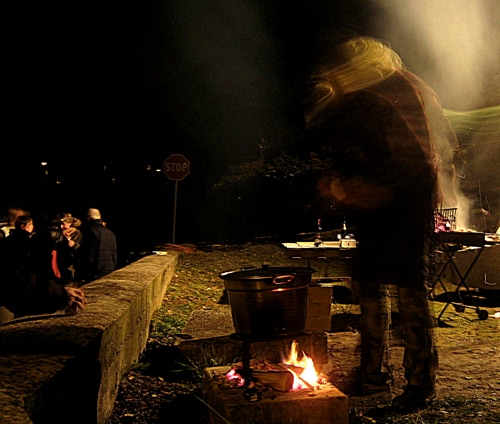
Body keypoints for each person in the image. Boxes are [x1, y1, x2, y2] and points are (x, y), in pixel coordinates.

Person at [304, 36, 459, 411]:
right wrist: (340, 181)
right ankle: (372, 374)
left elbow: (417, 163)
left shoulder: (397, 92)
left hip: (406, 207)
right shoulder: (364, 98)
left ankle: (420, 384)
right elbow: (357, 151)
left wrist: (364, 188)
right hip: (376, 207)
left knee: (410, 290)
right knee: (369, 285)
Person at [0, 215, 86, 319]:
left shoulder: (19, 241)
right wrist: (61, 293)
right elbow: (20, 281)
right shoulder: (24, 243)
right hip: (42, 288)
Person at [76, 208, 117, 284]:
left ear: (88, 219)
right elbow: (114, 254)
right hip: (109, 268)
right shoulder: (110, 233)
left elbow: (89, 253)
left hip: (95, 270)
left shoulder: (91, 231)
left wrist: (83, 273)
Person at [48, 213, 83, 282]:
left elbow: (81, 250)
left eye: (64, 224)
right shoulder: (59, 232)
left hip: (70, 264)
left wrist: (74, 245)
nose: (62, 226)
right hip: (59, 262)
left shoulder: (77, 234)